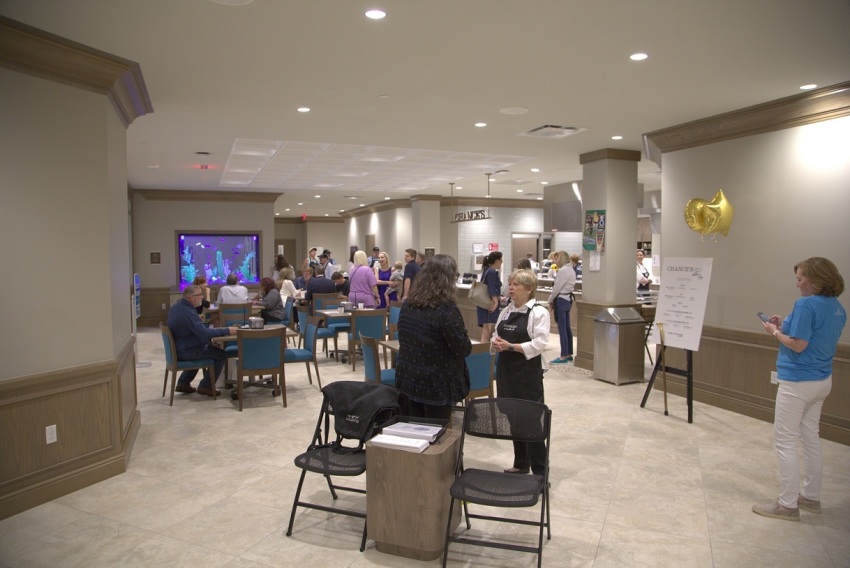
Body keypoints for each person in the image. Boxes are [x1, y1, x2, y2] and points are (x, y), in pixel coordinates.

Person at [752, 257, 846, 522]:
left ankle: (787, 504)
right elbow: (812, 336)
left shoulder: (806, 304)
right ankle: (810, 497)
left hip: (798, 381)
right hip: (821, 381)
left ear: (815, 279)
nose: (797, 283)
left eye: (800, 278)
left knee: (784, 441)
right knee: (810, 438)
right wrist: (785, 324)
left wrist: (774, 331)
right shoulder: (837, 307)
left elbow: (798, 345)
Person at [395, 254, 471, 419]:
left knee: (412, 428)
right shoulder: (446, 309)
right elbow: (463, 348)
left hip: (407, 378)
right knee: (436, 432)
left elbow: (402, 335)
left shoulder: (408, 305)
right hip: (436, 384)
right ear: (448, 280)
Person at [490, 269, 551, 475]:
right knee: (513, 418)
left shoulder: (538, 312)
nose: (511, 288)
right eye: (510, 284)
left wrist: (510, 347)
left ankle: (541, 472)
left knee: (531, 422)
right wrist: (495, 343)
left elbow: (540, 343)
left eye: (516, 284)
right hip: (506, 372)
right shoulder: (506, 311)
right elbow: (495, 334)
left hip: (527, 375)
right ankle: (521, 464)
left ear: (529, 289)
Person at [166, 286, 237, 397]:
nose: (202, 298)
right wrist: (228, 330)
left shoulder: (177, 306)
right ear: (191, 298)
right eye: (200, 295)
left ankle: (183, 382)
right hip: (186, 351)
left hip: (179, 348)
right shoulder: (188, 312)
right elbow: (205, 333)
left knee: (205, 347)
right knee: (220, 354)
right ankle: (206, 386)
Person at [548, 250, 576, 364]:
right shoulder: (571, 270)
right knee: (567, 328)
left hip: (561, 300)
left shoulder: (563, 271)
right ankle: (569, 353)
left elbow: (556, 288)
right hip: (568, 300)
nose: (554, 261)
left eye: (556, 259)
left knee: (562, 329)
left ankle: (563, 355)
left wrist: (550, 300)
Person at [477, 251, 503, 343]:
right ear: (496, 261)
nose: (502, 262)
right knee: (487, 331)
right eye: (501, 260)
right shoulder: (491, 272)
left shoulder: (487, 270)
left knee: (486, 330)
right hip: (489, 304)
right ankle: (483, 349)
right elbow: (491, 288)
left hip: (484, 303)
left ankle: (483, 349)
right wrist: (495, 302)